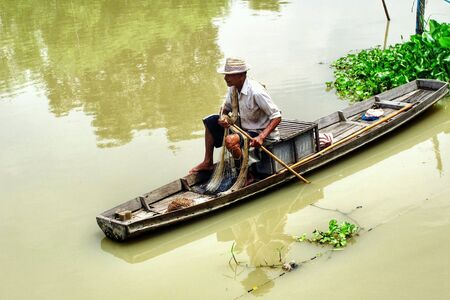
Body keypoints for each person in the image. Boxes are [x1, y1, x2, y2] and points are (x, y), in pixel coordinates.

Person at [190, 58, 282, 174]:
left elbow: (277, 116)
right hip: (244, 129)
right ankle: (208, 162)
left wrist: (262, 137)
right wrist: (223, 118)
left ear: (241, 75)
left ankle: (245, 175)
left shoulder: (256, 92)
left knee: (230, 141)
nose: (225, 78)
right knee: (210, 121)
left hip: (259, 132)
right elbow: (225, 109)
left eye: (229, 75)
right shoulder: (233, 88)